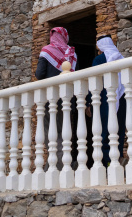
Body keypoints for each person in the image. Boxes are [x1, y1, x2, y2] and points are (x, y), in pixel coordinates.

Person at [87, 34, 132, 166]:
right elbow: (131, 81)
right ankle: (118, 158)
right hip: (123, 102)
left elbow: (93, 82)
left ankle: (108, 163)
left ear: (101, 47)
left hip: (105, 102)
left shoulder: (99, 59)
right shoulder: (121, 58)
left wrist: (88, 102)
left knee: (104, 132)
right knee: (119, 132)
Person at [35, 26, 77, 169]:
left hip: (50, 98)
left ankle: (56, 163)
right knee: (64, 131)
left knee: (50, 131)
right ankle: (65, 162)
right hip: (67, 99)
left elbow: (39, 74)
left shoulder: (46, 51)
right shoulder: (71, 54)